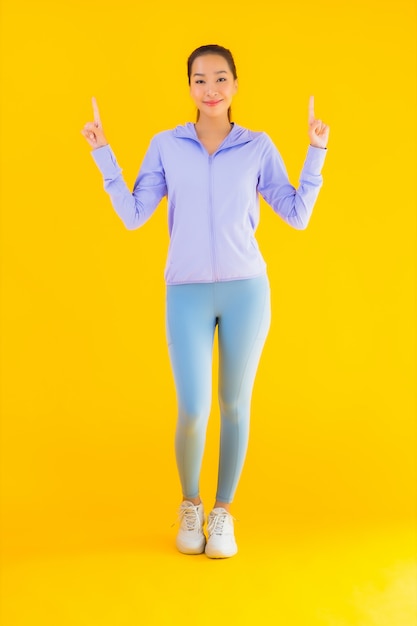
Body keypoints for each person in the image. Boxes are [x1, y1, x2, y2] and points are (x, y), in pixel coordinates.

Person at [81, 44, 329, 559]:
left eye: (220, 78)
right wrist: (104, 154)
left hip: (246, 290)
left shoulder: (257, 147)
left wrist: (315, 152)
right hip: (186, 292)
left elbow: (297, 213)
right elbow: (133, 214)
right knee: (193, 409)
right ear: (189, 87)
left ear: (236, 84)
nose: (210, 89)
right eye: (200, 79)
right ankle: (189, 505)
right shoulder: (166, 146)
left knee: (234, 406)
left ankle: (222, 514)